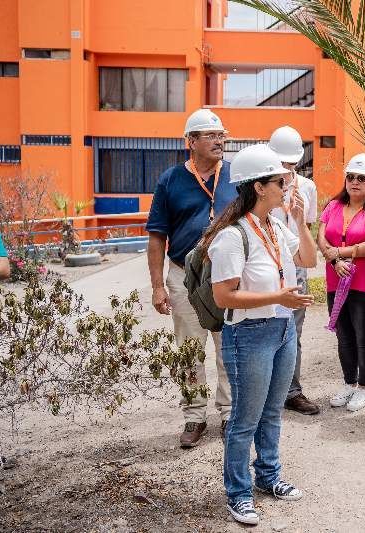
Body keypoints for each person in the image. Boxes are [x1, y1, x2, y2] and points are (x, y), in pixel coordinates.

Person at [204, 143, 316, 525]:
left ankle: (268, 477)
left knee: (271, 412)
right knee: (245, 418)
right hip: (249, 333)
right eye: (278, 181)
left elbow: (308, 260)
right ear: (258, 187)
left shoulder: (276, 225)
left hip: (283, 328)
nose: (286, 185)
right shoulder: (232, 237)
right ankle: (238, 492)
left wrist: (300, 220)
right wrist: (279, 296)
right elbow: (224, 296)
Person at [146, 109, 238, 447]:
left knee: (228, 346)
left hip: (226, 277)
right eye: (211, 135)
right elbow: (157, 236)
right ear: (191, 142)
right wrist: (158, 286)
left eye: (221, 135)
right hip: (184, 276)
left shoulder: (235, 175)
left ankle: (229, 413)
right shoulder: (170, 179)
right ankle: (194, 416)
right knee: (189, 350)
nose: (219, 140)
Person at [317, 153, 365, 412]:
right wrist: (334, 261)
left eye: (361, 178)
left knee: (364, 336)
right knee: (343, 336)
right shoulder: (333, 206)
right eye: (351, 177)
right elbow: (322, 239)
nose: (355, 182)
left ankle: (364, 387)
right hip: (337, 279)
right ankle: (348, 383)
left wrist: (342, 253)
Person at [268, 125, 321, 415]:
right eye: (282, 163)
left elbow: (308, 233)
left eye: (291, 163)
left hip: (296, 267)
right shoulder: (263, 184)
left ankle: (292, 390)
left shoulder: (308, 188)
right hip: (265, 268)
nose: (287, 169)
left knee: (293, 331)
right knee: (264, 327)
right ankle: (266, 392)